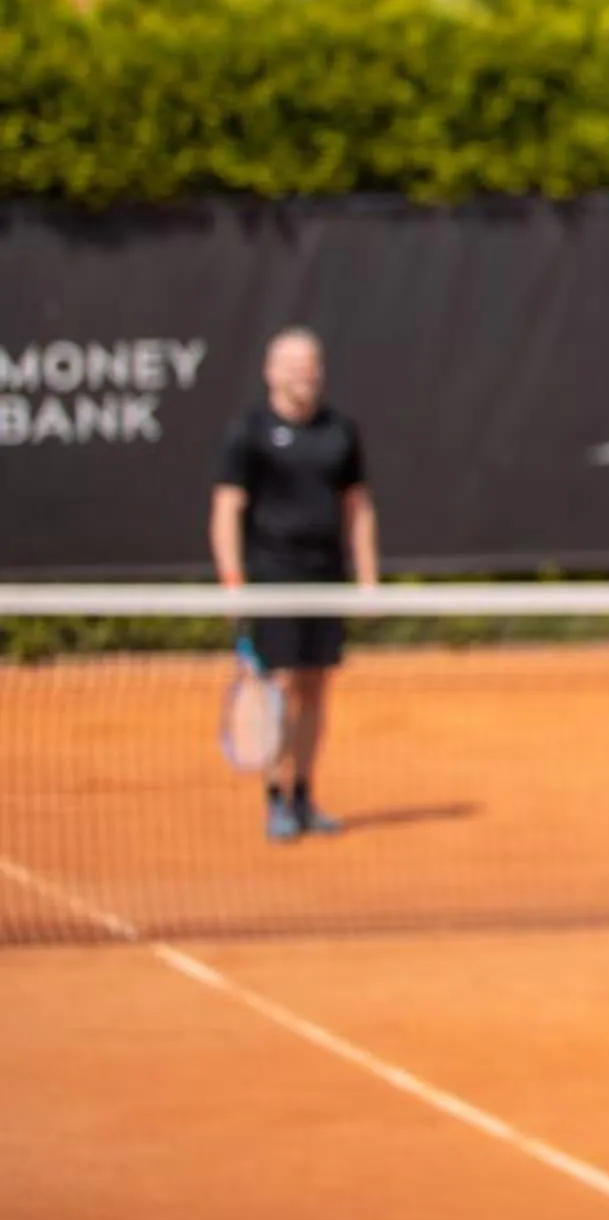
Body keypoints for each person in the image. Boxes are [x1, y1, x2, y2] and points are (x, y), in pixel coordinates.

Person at [210, 328, 378, 844]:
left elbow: (358, 507)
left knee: (315, 688)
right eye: (294, 364)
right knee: (278, 686)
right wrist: (234, 581)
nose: (305, 373)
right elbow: (226, 509)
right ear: (271, 371)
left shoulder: (340, 432)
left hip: (326, 577)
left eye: (312, 363)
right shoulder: (249, 432)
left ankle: (303, 791)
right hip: (272, 577)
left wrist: (369, 580)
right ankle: (275, 798)